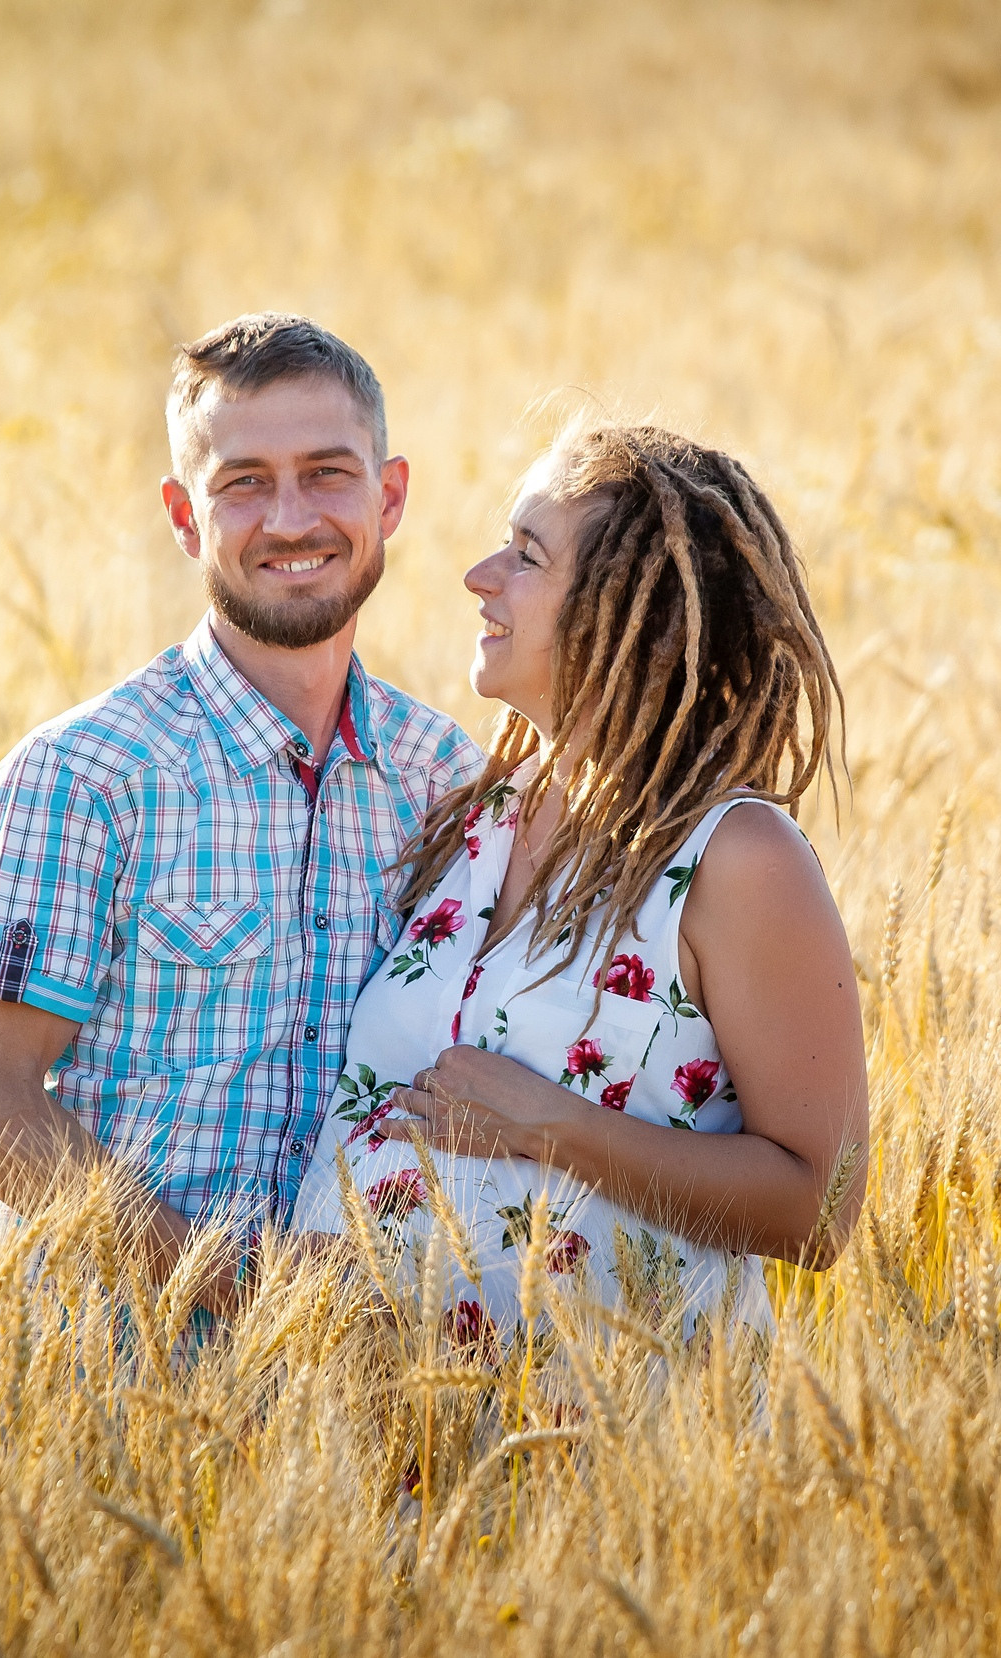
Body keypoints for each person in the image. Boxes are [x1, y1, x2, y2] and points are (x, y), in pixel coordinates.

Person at [0, 314, 480, 1316]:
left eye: (327, 473)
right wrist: (243, 1287)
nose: (290, 519)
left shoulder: (446, 781)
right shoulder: (81, 778)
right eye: (244, 484)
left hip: (360, 1381)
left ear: (390, 495)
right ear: (185, 517)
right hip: (96, 1377)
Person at [292, 422, 870, 1337]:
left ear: (635, 613)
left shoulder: (737, 858)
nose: (479, 576)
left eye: (527, 556)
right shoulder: (473, 817)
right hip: (382, 1411)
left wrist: (554, 1129)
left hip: (604, 1408)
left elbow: (818, 1210)